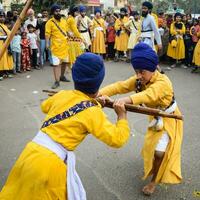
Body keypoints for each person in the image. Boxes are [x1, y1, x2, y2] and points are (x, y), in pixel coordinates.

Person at [0, 53, 130, 199]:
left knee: (17, 193)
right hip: (50, 166)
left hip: (30, 153)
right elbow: (118, 139)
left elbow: (45, 106)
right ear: (98, 83)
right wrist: (121, 116)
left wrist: (93, 102)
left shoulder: (62, 95)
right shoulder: (92, 112)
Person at [99, 42, 183, 196]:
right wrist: (97, 94)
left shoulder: (163, 82)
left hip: (169, 118)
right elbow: (119, 86)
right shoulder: (140, 78)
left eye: (141, 72)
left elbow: (147, 95)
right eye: (136, 71)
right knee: (150, 148)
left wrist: (124, 100)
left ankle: (153, 182)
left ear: (152, 68)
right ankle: (153, 167)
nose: (138, 76)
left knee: (159, 152)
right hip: (155, 116)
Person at [45, 4, 70, 89]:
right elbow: (47, 34)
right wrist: (47, 44)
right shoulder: (49, 22)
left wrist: (70, 35)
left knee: (65, 62)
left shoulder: (64, 20)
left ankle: (62, 76)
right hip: (55, 47)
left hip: (65, 46)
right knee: (56, 64)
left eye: (59, 11)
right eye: (56, 11)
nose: (58, 13)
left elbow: (66, 31)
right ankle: (57, 81)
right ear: (53, 12)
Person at [0, 10, 14, 80]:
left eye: (3, 17)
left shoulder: (5, 26)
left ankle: (6, 72)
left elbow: (9, 34)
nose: (2, 18)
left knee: (7, 58)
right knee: (2, 59)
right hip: (0, 44)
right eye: (0, 17)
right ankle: (1, 73)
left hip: (6, 44)